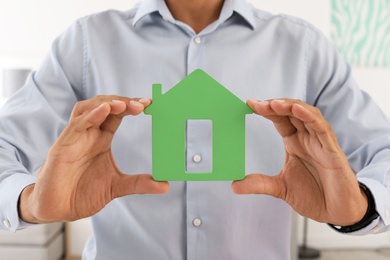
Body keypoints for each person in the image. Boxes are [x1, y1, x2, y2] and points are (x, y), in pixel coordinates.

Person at [1, 0, 389, 259]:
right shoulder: (85, 43)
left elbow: (382, 151)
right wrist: (30, 202)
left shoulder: (303, 47)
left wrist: (361, 207)